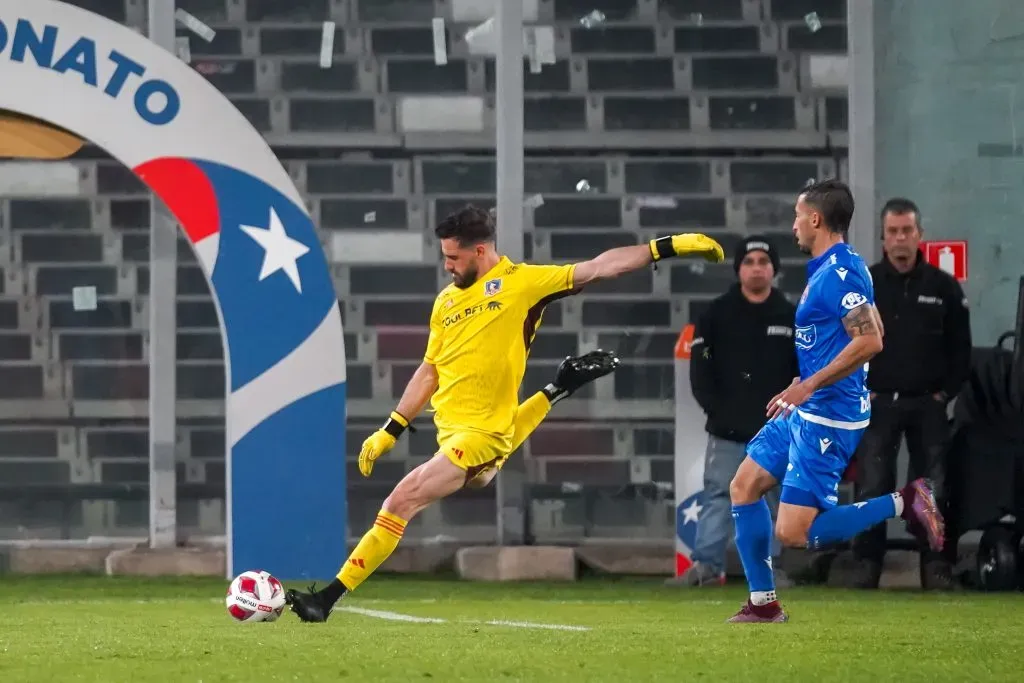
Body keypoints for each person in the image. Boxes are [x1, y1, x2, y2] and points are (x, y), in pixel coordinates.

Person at [286, 204, 726, 622]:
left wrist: (665, 247)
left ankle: (327, 598)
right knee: (475, 475)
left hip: (481, 436)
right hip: (455, 434)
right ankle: (557, 389)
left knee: (401, 500)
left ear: (481, 250)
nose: (447, 267)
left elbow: (599, 266)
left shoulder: (523, 282)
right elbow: (429, 370)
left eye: (453, 258)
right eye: (444, 258)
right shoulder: (446, 302)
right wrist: (391, 428)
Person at [725, 179, 945, 623]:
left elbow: (872, 339)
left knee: (794, 532)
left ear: (815, 219)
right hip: (809, 405)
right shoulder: (833, 269)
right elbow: (865, 325)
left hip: (828, 416)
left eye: (796, 215)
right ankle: (763, 605)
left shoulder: (840, 272)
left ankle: (906, 501)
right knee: (743, 486)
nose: (793, 226)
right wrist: (809, 375)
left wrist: (810, 383)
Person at [849, 197, 971, 590]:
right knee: (871, 485)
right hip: (877, 403)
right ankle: (867, 565)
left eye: (907, 231)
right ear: (884, 238)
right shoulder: (864, 285)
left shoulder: (943, 287)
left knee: (931, 488)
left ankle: (934, 565)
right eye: (893, 232)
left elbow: (961, 349)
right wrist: (858, 392)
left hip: (927, 404)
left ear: (919, 235)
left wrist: (944, 395)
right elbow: (844, 345)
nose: (900, 238)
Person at [673, 236, 799, 586]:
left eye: (763, 261)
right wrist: (718, 411)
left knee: (772, 496)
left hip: (775, 428)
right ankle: (707, 568)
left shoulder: (790, 315)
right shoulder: (715, 314)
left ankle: (770, 568)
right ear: (738, 269)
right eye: (749, 261)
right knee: (717, 495)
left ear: (774, 269)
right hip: (727, 428)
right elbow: (701, 369)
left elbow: (800, 373)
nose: (757, 267)